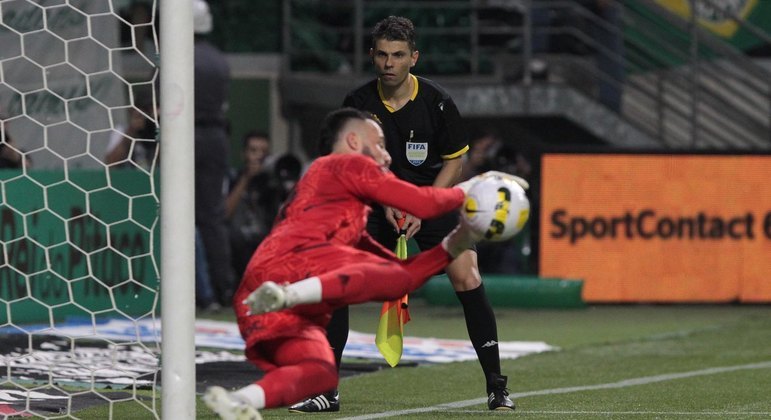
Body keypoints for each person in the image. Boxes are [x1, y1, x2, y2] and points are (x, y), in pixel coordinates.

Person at [290, 16, 516, 413]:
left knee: (467, 276)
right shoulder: (357, 103)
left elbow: (455, 163)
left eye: (397, 55)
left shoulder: (437, 102)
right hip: (377, 202)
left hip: (431, 197)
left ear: (414, 58)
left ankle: (497, 388)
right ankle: (327, 390)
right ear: (372, 56)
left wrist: (422, 204)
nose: (388, 63)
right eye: (381, 55)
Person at [202, 107, 483, 419]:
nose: (387, 156)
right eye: (379, 144)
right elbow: (424, 203)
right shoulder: (347, 164)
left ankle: (240, 401)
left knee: (320, 373)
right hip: (294, 264)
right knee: (395, 277)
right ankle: (291, 292)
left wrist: (457, 241)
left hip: (256, 295)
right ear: (352, 141)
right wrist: (475, 188)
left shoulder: (327, 192)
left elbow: (399, 273)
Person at [193, 0, 236, 306]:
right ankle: (224, 288)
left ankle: (198, 290)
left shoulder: (178, 56)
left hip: (187, 135)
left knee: (176, 214)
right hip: (216, 136)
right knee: (212, 217)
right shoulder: (219, 60)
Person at [226, 131, 276, 278]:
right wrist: (246, 179)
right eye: (253, 151)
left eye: (264, 152)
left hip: (265, 237)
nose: (258, 156)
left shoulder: (272, 182)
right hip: (238, 239)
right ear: (244, 154)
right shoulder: (233, 178)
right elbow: (225, 213)